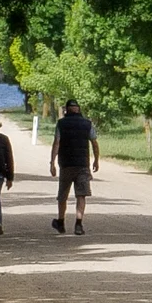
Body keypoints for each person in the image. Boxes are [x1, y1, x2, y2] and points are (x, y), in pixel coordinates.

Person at [49, 98, 99, 235]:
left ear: (66, 109)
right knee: (81, 195)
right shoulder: (87, 124)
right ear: (78, 109)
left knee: (63, 195)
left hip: (66, 164)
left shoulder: (61, 124)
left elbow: (56, 143)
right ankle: (78, 224)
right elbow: (94, 142)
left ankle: (60, 222)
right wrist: (96, 160)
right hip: (82, 164)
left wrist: (52, 162)